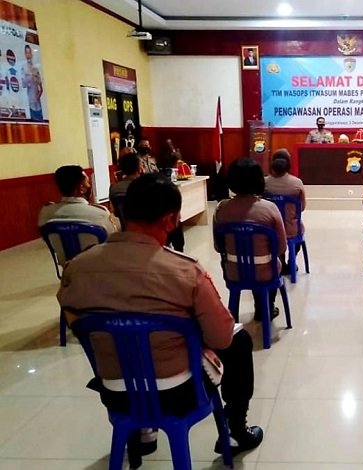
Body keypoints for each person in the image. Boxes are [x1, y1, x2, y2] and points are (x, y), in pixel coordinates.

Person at [57, 173, 264, 457]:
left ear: (121, 211)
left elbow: (72, 316)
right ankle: (236, 430)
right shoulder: (185, 271)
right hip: (176, 393)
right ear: (170, 220)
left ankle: (142, 433)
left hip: (115, 392)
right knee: (238, 341)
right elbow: (221, 337)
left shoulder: (78, 267)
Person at [214, 158, 287, 321]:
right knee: (268, 263)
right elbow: (281, 248)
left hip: (233, 272)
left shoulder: (221, 209)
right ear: (259, 180)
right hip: (265, 272)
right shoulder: (270, 208)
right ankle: (266, 307)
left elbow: (218, 247)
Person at [38, 165, 119, 238]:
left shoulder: (46, 212)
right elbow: (112, 238)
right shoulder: (101, 213)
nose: (90, 186)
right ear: (81, 188)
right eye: (88, 182)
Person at [264, 148, 306, 275]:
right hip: (291, 229)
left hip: (270, 229)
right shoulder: (297, 183)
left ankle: (280, 260)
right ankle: (291, 260)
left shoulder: (264, 183)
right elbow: (302, 207)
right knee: (300, 229)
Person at [110, 149, 144, 225]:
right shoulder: (145, 187)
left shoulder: (114, 188)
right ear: (139, 169)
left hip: (123, 227)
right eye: (142, 164)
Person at [21, 44, 43, 121]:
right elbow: (23, 85)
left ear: (31, 54)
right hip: (30, 105)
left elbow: (41, 88)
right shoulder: (23, 68)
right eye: (26, 53)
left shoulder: (36, 69)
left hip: (38, 106)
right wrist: (29, 78)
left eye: (29, 52)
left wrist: (37, 97)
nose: (28, 55)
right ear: (25, 54)